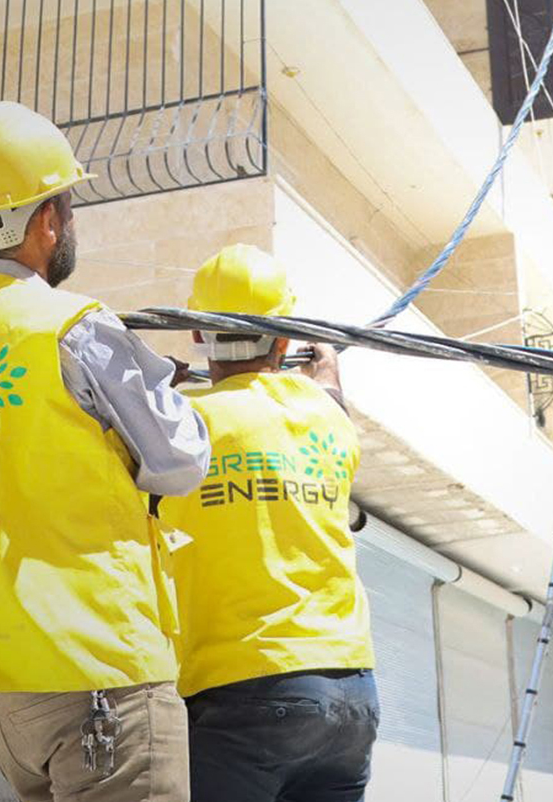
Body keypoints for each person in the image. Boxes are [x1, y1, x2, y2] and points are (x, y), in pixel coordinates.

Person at [0, 101, 210, 802]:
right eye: (67, 205)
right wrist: (156, 396)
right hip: (96, 668)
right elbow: (181, 460)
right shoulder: (72, 326)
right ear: (47, 219)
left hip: (1, 695)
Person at [157, 245, 379, 802]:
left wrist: (155, 391)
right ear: (284, 340)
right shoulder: (327, 418)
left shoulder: (185, 427)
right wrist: (325, 361)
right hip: (350, 692)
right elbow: (331, 396)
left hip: (243, 691)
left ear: (197, 337)